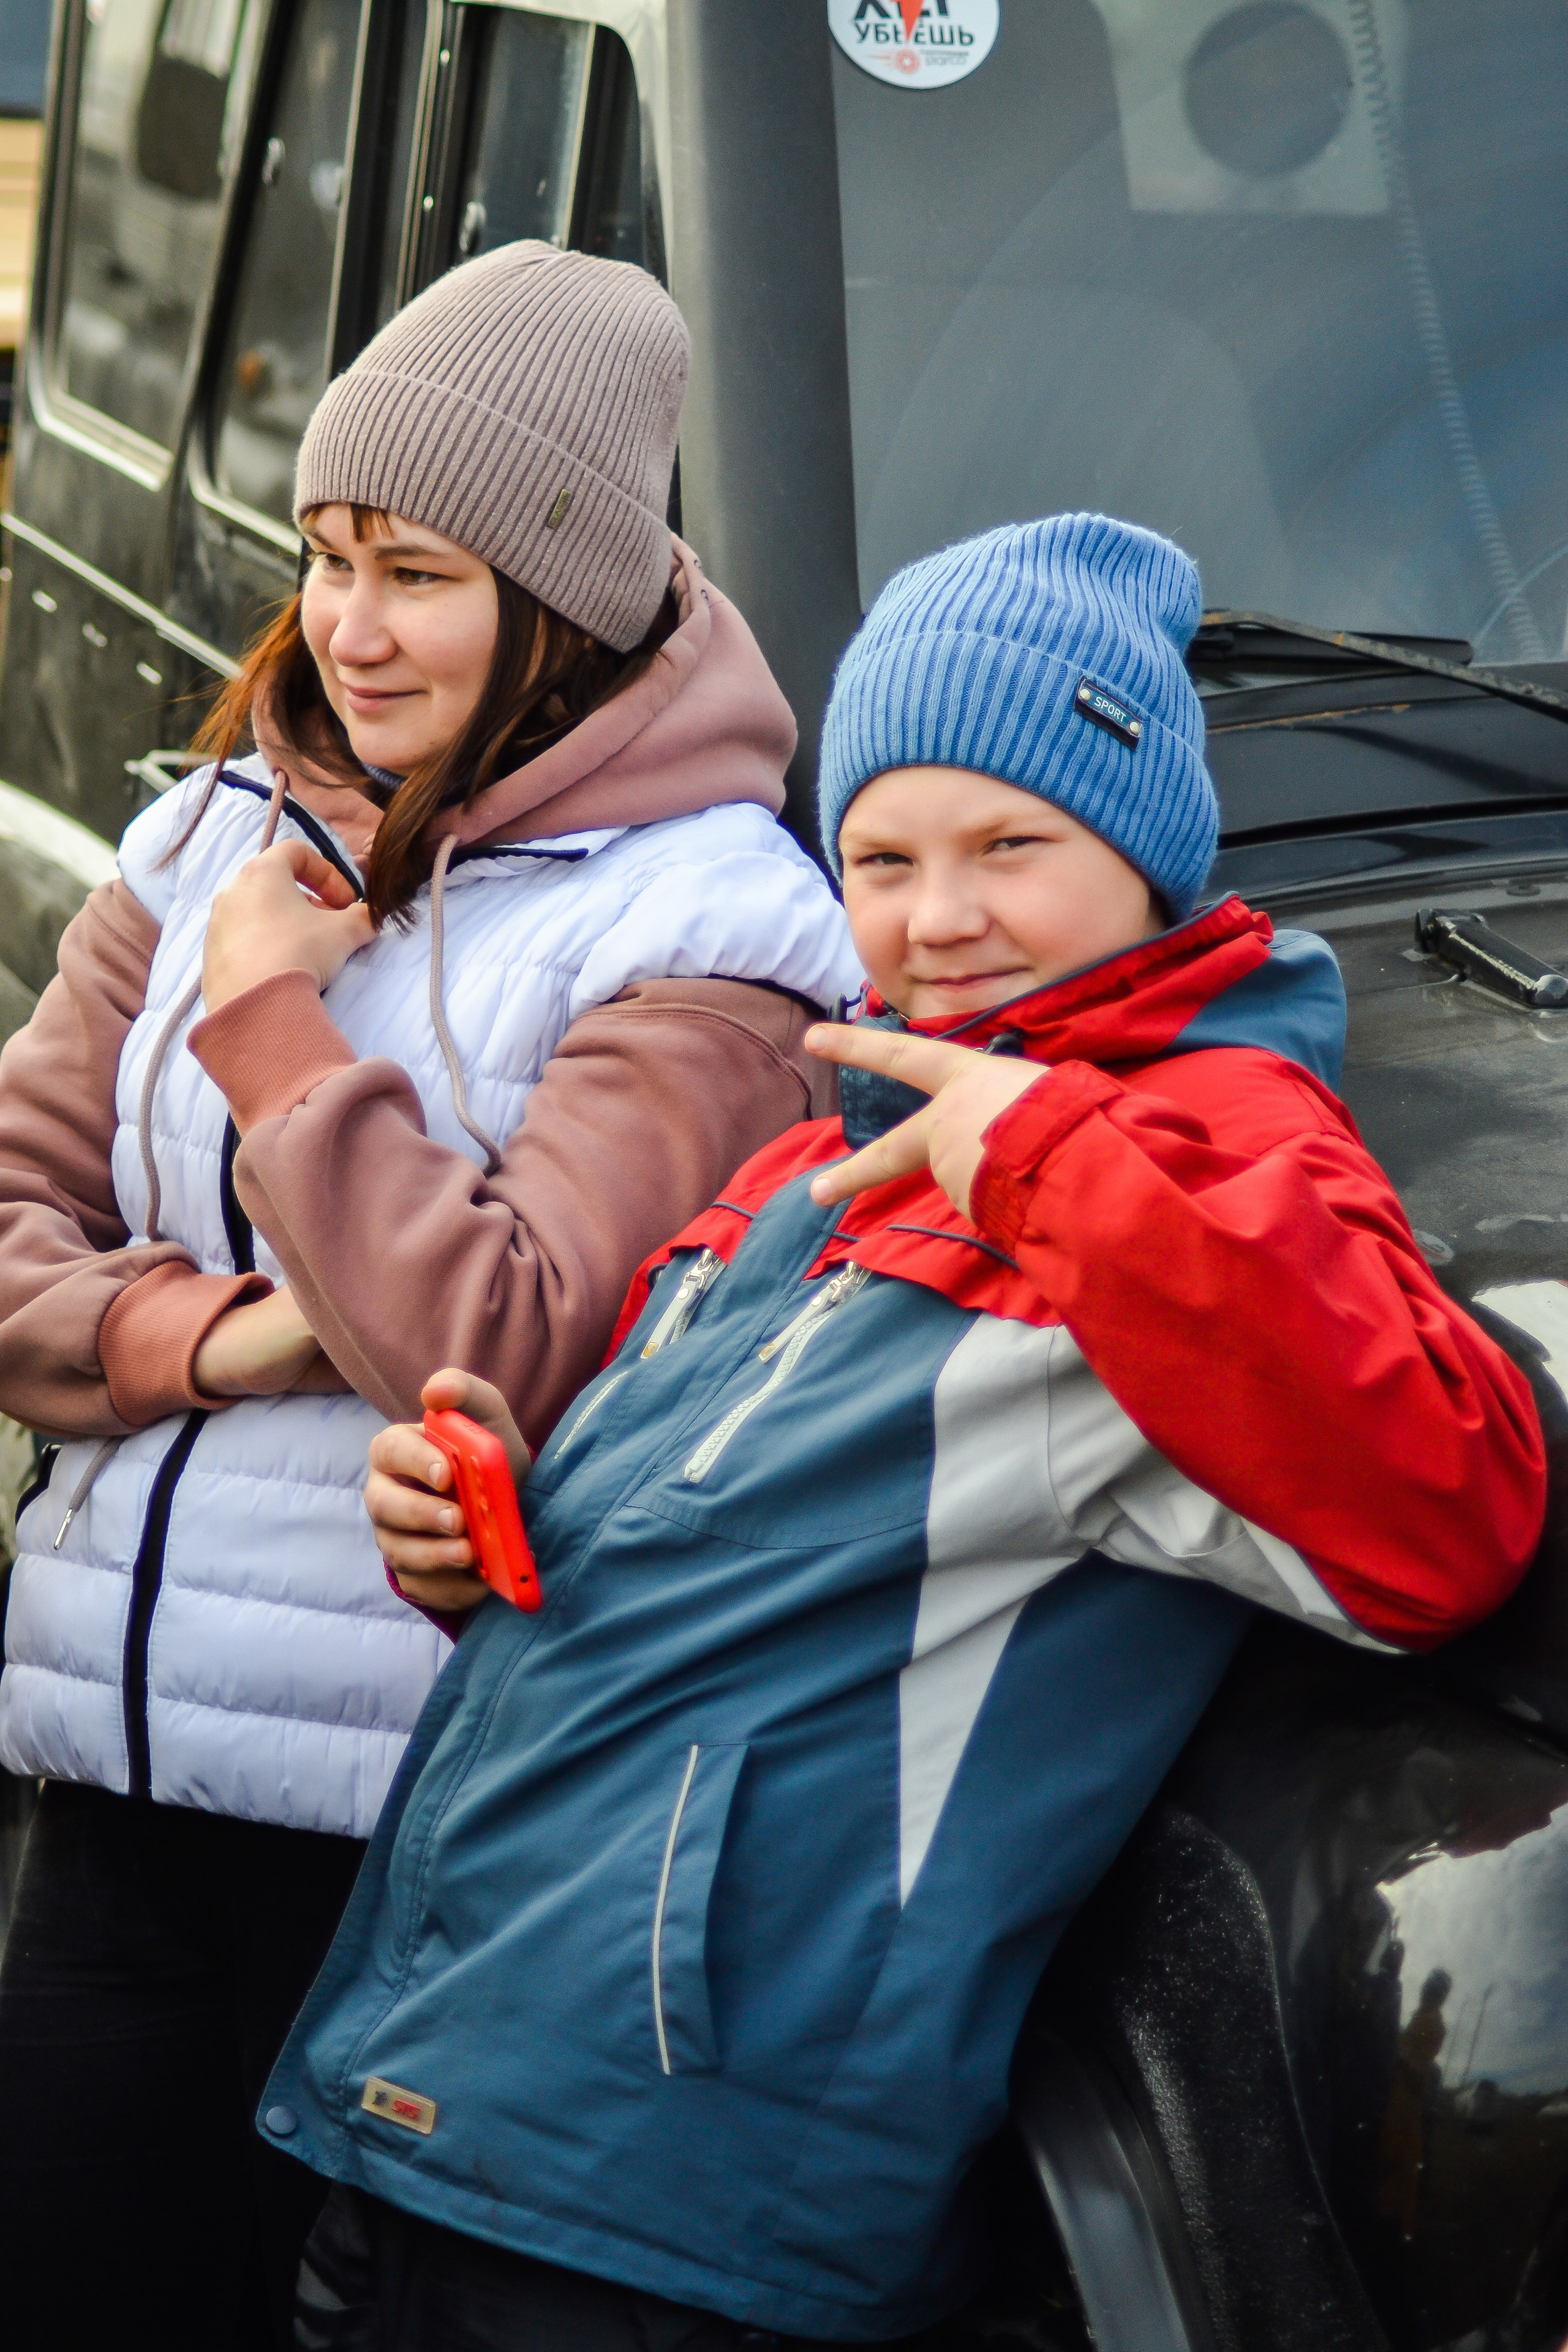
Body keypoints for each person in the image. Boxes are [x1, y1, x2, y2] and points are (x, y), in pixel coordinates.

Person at [272, 514, 1543, 2350]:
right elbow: (725, 1576)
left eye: (1011, 845)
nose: (937, 917)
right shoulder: (825, 1145)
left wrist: (1034, 1156)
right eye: (879, 856)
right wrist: (480, 1533)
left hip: (675, 2203)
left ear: (1149, 851)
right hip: (453, 2104)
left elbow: (1444, 1506)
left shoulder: (1208, 1154)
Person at [0, 241, 858, 2349]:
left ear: (557, 599)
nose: (346, 631)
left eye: (420, 575)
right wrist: (227, 1336)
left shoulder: (714, 924)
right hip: (104, 1801)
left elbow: (509, 1342)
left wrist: (279, 1036)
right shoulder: (210, 835)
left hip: (410, 1848)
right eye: (326, 557)